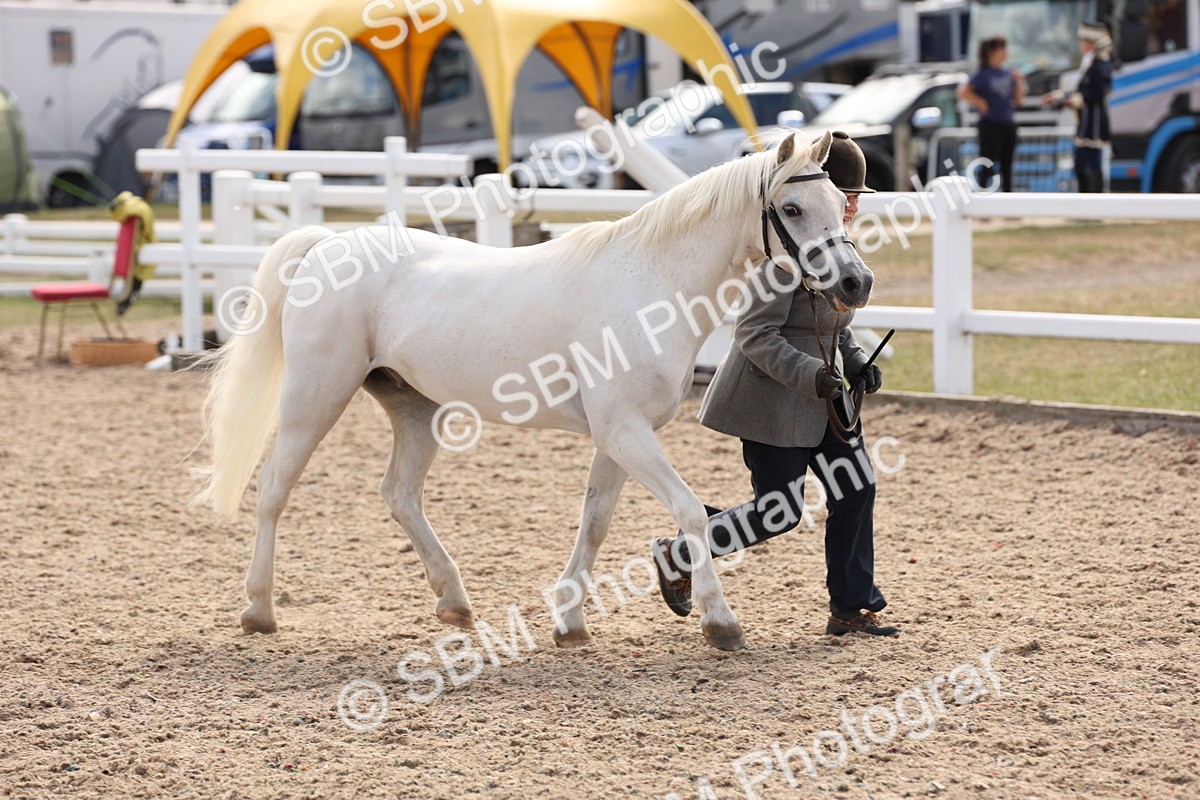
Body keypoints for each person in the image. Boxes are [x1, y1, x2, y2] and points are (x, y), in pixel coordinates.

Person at [650, 131, 898, 637]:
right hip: (772, 401)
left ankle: (850, 608)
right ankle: (681, 551)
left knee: (856, 490)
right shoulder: (782, 257)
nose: (852, 206)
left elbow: (833, 328)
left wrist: (855, 364)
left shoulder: (835, 247)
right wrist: (812, 375)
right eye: (847, 195)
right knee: (778, 512)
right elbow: (754, 334)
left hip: (830, 400)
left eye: (853, 199)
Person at [1043, 22, 1114, 193]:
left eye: (1083, 40)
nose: (1080, 44)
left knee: (1091, 165)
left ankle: (1094, 204)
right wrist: (1058, 97)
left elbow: (1094, 94)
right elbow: (1079, 91)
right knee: (1080, 166)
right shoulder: (1089, 63)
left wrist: (1070, 100)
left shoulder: (1100, 65)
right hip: (1084, 123)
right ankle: (1084, 203)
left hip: (1094, 124)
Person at [958, 36, 1025, 192]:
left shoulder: (1008, 73)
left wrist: (1019, 81)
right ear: (991, 52)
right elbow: (963, 91)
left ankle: (1008, 202)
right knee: (987, 164)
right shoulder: (982, 73)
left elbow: (1019, 100)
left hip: (1007, 123)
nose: (1005, 53)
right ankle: (981, 200)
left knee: (1007, 166)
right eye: (1002, 49)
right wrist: (980, 102)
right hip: (990, 124)